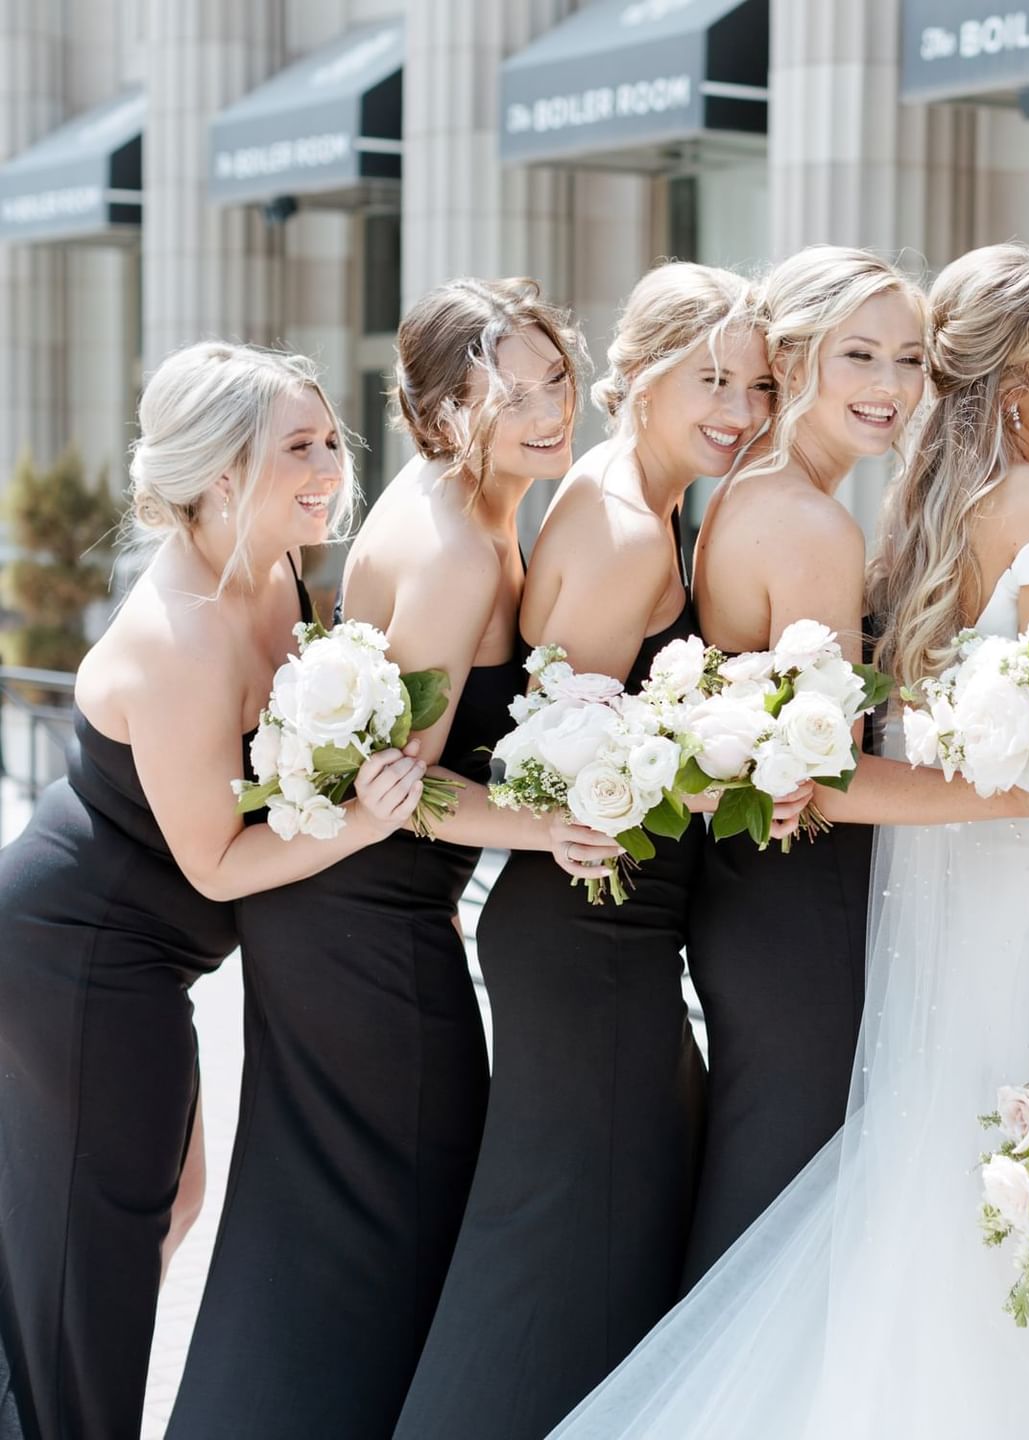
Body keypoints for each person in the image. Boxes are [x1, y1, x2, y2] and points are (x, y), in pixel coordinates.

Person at [545, 243, 1029, 1440]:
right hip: (1025, 897)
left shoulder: (919, 514)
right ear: (1007, 384)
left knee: (954, 1186)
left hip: (934, 896)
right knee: (1015, 1189)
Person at [167, 280, 616, 1437]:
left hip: (357, 916)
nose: (545, 408)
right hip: (368, 926)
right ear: (436, 414)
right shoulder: (462, 545)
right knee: (391, 1223)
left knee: (321, 1230)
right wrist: (547, 827)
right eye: (506, 394)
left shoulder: (457, 508)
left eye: (554, 378)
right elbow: (402, 795)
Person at [0, 342, 425, 1440]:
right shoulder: (180, 634)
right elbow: (216, 863)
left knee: (160, 1209)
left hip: (140, 960)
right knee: (94, 1256)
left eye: (331, 439)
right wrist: (369, 816)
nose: (332, 464)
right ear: (221, 473)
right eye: (299, 446)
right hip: (81, 956)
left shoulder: (273, 564)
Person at [394, 264, 789, 1440]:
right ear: (645, 376)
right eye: (712, 378)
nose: (741, 407)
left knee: (585, 1249)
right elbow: (531, 765)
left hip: (601, 929)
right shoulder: (623, 530)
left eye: (760, 383)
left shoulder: (635, 497)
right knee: (559, 1262)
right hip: (590, 927)